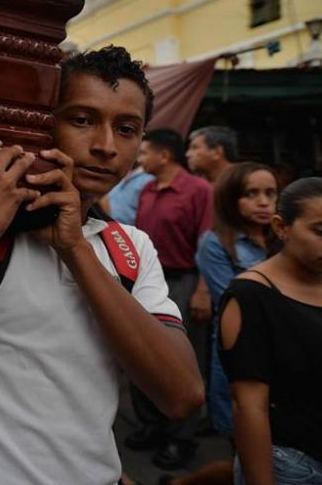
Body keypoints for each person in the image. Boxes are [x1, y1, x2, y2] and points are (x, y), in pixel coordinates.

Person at [0, 45, 203, 484]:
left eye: (127, 129)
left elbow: (181, 395)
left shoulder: (130, 246)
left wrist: (74, 248)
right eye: (81, 119)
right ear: (43, 125)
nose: (106, 146)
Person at [158, 163, 281, 485]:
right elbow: (235, 301)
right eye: (251, 194)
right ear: (230, 199)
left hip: (287, 362)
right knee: (249, 458)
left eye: (270, 193)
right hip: (242, 359)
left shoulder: (283, 238)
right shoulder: (216, 243)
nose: (263, 202)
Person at [218, 177, 322, 484]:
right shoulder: (250, 296)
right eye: (320, 231)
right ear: (281, 227)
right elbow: (249, 406)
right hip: (291, 465)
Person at [129, 127, 214, 469]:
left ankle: (181, 439)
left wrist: (203, 290)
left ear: (164, 156)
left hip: (183, 282)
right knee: (138, 353)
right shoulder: (148, 189)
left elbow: (209, 244)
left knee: (180, 360)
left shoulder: (199, 190)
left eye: (145, 152)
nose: (139, 159)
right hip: (146, 280)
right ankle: (152, 425)